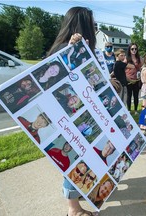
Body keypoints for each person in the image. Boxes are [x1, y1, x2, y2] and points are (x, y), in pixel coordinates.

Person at [46, 7, 99, 216]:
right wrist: (71, 51)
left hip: (82, 114)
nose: (95, 28)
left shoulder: (84, 48)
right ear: (82, 24)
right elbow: (57, 81)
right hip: (69, 117)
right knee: (76, 160)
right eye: (92, 24)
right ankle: (73, 209)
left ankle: (84, 196)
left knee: (87, 157)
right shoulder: (64, 48)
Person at [125, 43, 143, 114]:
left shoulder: (139, 58)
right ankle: (129, 110)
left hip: (136, 80)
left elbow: (141, 67)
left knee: (136, 95)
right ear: (129, 50)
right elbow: (122, 68)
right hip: (129, 80)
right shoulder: (126, 59)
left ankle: (136, 110)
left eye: (135, 49)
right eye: (132, 49)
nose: (134, 50)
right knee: (129, 95)